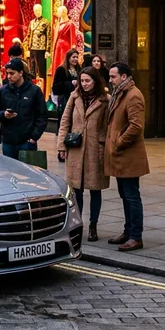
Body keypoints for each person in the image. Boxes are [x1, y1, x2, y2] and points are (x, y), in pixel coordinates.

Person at [57, 66, 109, 242]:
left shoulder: (105, 100)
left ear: (95, 81)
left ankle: (93, 226)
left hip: (96, 150)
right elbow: (65, 121)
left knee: (95, 190)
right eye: (82, 81)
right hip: (76, 149)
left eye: (88, 80)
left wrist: (104, 141)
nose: (84, 84)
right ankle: (77, 224)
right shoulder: (75, 96)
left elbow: (109, 124)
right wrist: (61, 146)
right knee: (76, 190)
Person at [104, 62, 149, 252]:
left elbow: (136, 126)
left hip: (128, 155)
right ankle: (128, 231)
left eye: (113, 76)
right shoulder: (121, 93)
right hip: (121, 156)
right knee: (125, 195)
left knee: (131, 196)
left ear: (124, 77)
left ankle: (135, 236)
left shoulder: (133, 95)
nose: (110, 80)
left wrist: (119, 142)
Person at [0, 57, 47, 158]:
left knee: (26, 172)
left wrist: (34, 137)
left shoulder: (34, 91)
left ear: (21, 73)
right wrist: (4, 114)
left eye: (12, 73)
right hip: (8, 141)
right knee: (10, 171)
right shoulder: (3, 91)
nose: (9, 76)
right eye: (7, 73)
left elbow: (42, 116)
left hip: (27, 141)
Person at [53, 49, 81, 132]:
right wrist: (70, 83)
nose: (75, 59)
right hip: (65, 98)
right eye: (73, 57)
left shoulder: (79, 69)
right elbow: (56, 87)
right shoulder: (61, 69)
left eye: (77, 57)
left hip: (76, 98)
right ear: (68, 58)